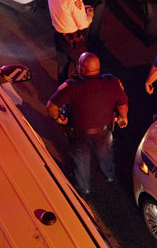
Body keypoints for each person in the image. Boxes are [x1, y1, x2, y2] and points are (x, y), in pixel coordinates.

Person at [47, 53, 129, 195]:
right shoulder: (112, 82)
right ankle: (109, 175)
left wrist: (60, 119)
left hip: (79, 133)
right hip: (104, 130)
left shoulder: (72, 86)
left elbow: (51, 107)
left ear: (82, 69)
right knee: (106, 153)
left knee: (81, 159)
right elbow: (123, 104)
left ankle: (84, 187)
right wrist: (124, 117)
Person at [47, 0, 91, 82]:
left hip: (58, 34)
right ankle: (82, 90)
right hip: (72, 38)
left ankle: (61, 88)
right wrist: (89, 16)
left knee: (62, 64)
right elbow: (83, 24)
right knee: (84, 65)